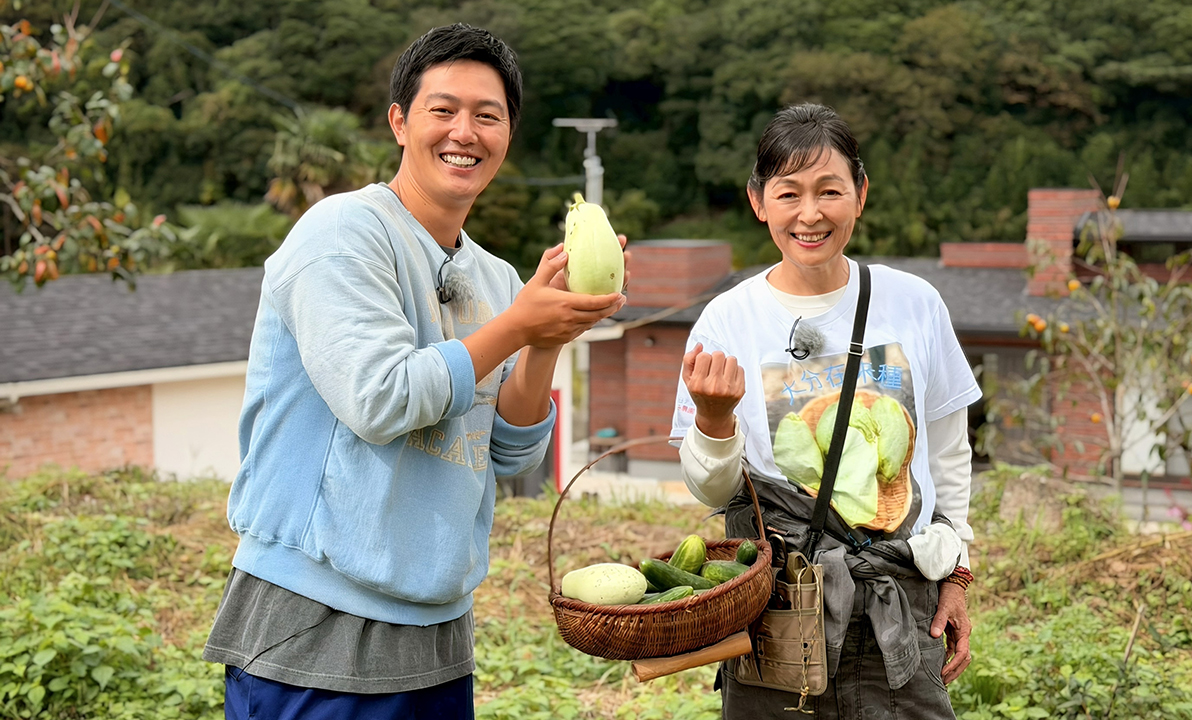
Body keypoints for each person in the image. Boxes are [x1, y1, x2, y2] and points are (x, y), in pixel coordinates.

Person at [202, 23, 627, 719]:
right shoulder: (341, 234)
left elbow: (512, 453)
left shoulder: (494, 277)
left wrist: (549, 335)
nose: (466, 131)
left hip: (437, 632)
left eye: (488, 116)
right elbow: (380, 397)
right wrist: (519, 324)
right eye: (443, 110)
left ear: (507, 136)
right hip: (315, 625)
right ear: (400, 121)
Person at [671, 103, 981, 719]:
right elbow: (713, 490)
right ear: (759, 201)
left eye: (830, 191)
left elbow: (948, 453)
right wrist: (712, 421)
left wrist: (958, 573)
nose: (810, 214)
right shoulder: (728, 320)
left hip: (900, 596)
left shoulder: (914, 303)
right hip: (780, 607)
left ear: (860, 194)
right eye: (789, 193)